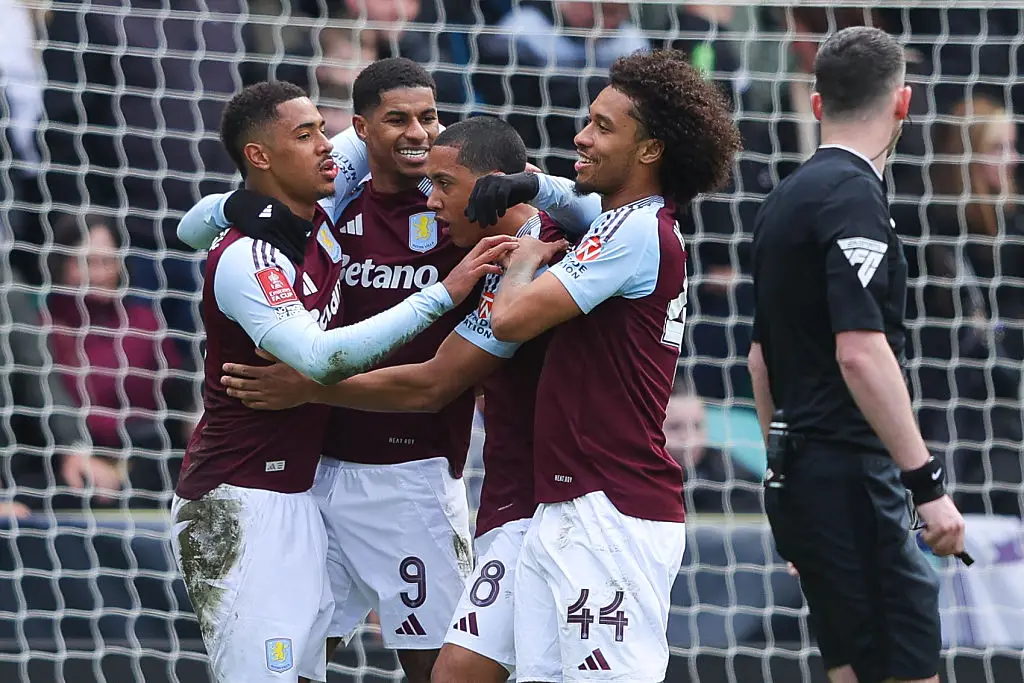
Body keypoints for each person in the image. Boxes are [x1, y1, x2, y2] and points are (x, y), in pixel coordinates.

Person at [175, 60, 587, 683]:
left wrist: (312, 384)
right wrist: (244, 198)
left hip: (412, 478)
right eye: (397, 119)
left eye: (429, 117)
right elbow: (198, 222)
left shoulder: (481, 224)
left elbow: (432, 382)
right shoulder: (327, 201)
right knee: (288, 662)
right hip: (309, 477)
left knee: (437, 669)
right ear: (363, 130)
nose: (418, 133)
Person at [462, 49, 741, 682]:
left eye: (603, 127)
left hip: (612, 510)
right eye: (587, 121)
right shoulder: (626, 221)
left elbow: (508, 321)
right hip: (566, 505)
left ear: (650, 151)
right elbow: (575, 201)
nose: (581, 137)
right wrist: (533, 186)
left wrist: (525, 260)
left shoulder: (635, 232)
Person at [746, 27, 967, 683]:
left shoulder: (781, 201)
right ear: (903, 103)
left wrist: (784, 479)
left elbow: (761, 361)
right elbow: (862, 353)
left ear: (817, 105)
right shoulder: (854, 198)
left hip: (802, 476)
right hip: (853, 477)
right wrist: (927, 486)